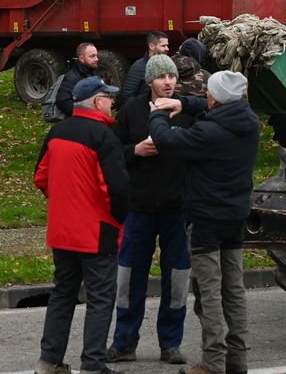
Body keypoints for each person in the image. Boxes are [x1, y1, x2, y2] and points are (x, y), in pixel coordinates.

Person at [148, 71, 258, 374]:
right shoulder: (248, 123)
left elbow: (167, 141)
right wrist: (184, 102)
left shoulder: (209, 134)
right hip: (236, 216)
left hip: (207, 220)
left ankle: (212, 361)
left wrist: (158, 114)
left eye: (208, 93)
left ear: (215, 97)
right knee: (234, 290)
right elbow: (214, 109)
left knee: (209, 292)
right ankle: (238, 358)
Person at [34, 76, 129, 374]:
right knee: (100, 298)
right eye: (109, 97)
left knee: (63, 294)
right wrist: (119, 219)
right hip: (96, 230)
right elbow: (115, 190)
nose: (112, 103)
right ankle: (92, 363)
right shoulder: (103, 136)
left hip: (62, 230)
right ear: (98, 102)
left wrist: (64, 199)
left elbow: (41, 177)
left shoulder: (56, 132)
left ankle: (48, 361)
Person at [107, 55, 193, 366]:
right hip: (139, 208)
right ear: (149, 82)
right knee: (129, 277)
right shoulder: (131, 110)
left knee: (177, 279)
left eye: (172, 76)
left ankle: (171, 344)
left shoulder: (184, 111)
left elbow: (200, 151)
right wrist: (136, 151)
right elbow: (112, 151)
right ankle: (124, 343)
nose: (168, 82)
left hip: (176, 209)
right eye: (161, 77)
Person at [117, 31, 169, 106]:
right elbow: (128, 95)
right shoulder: (139, 67)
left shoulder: (167, 66)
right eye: (163, 46)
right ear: (151, 46)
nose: (167, 49)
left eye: (167, 45)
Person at [57, 42, 100, 117]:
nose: (96, 59)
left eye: (96, 55)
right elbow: (63, 101)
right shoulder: (72, 77)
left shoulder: (90, 72)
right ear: (81, 58)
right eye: (92, 56)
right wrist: (83, 115)